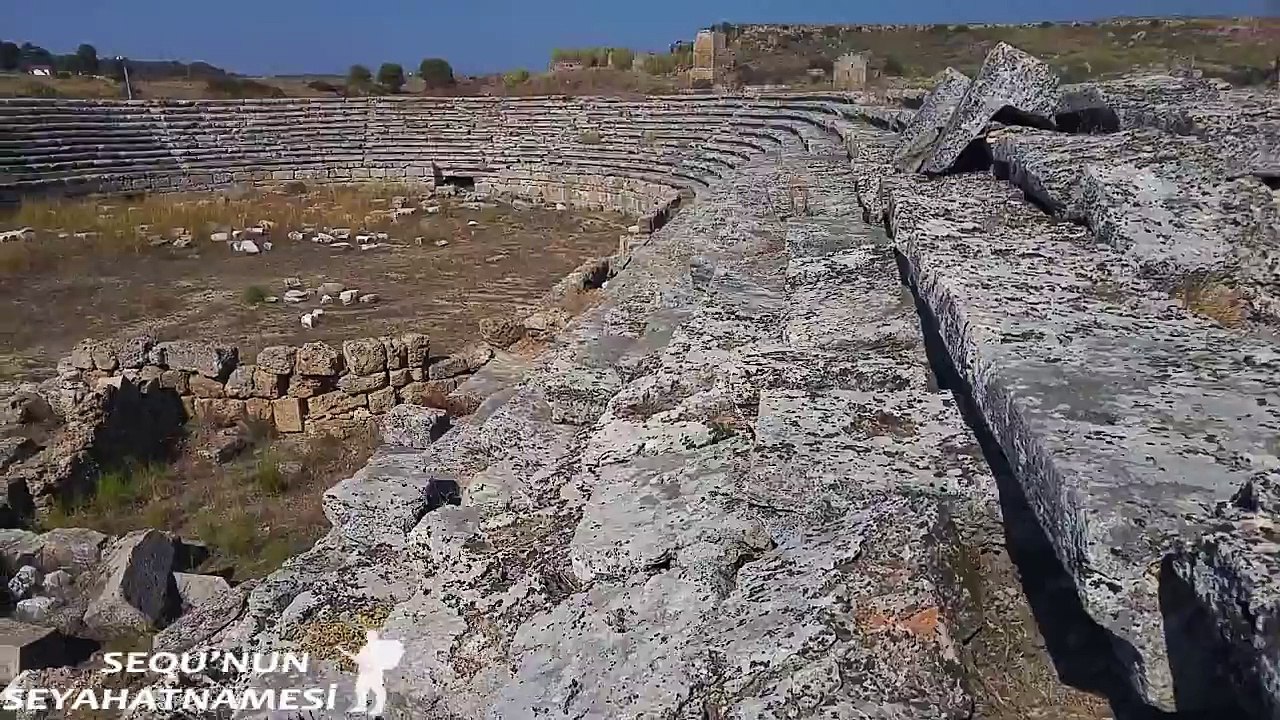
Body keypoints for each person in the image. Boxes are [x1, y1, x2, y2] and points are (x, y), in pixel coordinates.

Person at [339, 630, 404, 715]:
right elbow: (359, 658)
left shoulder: (378, 647)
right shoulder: (366, 647)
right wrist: (345, 652)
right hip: (366, 671)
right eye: (368, 635)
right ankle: (362, 705)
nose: (368, 637)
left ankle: (379, 708)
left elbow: (369, 659)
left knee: (377, 689)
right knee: (360, 688)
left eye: (370, 635)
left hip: (374, 671)